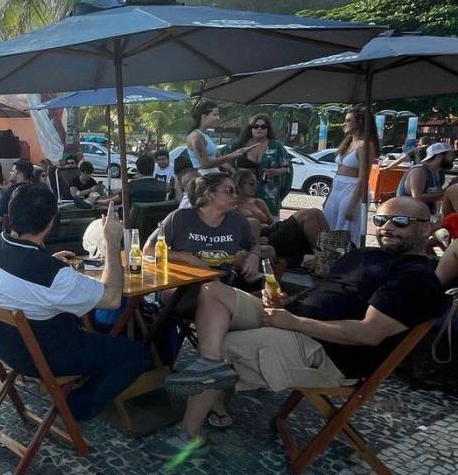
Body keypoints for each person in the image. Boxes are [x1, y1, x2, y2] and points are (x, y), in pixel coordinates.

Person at [159, 196, 447, 460]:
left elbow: (368, 333)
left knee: (220, 345)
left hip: (326, 351)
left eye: (400, 222)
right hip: (292, 319)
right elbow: (329, 297)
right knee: (212, 291)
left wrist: (295, 322)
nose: (387, 228)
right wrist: (285, 302)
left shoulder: (416, 279)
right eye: (380, 220)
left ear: (427, 228)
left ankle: (189, 434)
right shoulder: (361, 256)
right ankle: (211, 373)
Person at [0, 184, 151, 420]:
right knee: (138, 354)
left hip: (4, 344)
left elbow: (21, 275)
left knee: (94, 330)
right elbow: (112, 299)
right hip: (43, 354)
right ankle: (75, 407)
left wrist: (50, 261)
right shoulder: (54, 275)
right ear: (51, 222)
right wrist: (111, 241)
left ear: (12, 212)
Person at [147, 172, 261, 305]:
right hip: (182, 285)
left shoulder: (237, 221)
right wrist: (187, 257)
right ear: (209, 195)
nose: (235, 195)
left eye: (235, 190)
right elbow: (148, 249)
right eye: (229, 191)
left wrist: (254, 254)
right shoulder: (181, 218)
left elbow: (253, 244)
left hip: (222, 284)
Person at [233, 169, 329, 268]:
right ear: (239, 185)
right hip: (263, 238)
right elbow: (234, 230)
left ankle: (328, 252)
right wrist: (255, 237)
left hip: (273, 231)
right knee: (308, 214)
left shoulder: (258, 202)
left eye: (256, 183)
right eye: (251, 184)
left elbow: (271, 222)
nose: (255, 187)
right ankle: (326, 256)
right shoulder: (232, 206)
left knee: (316, 212)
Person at [323, 106, 379, 249]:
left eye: (348, 120)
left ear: (359, 122)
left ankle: (346, 259)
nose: (344, 123)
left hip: (353, 188)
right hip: (337, 187)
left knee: (346, 229)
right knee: (330, 224)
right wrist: (329, 195)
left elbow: (363, 177)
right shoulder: (347, 143)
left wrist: (352, 205)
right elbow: (337, 173)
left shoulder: (365, 145)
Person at [220, 113, 292, 216]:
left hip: (268, 193)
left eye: (263, 126)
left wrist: (276, 171)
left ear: (268, 129)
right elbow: (219, 157)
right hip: (241, 193)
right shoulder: (239, 144)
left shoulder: (276, 146)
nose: (259, 129)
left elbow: (288, 168)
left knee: (268, 221)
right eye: (256, 126)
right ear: (250, 128)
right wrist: (233, 170)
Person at [186, 101, 249, 174]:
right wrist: (233, 154)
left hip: (215, 175)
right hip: (204, 179)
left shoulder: (205, 135)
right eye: (215, 115)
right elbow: (205, 164)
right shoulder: (196, 136)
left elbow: (218, 157)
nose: (218, 118)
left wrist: (233, 170)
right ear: (203, 116)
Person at [397, 141, 448, 208]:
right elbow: (417, 198)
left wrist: (449, 189)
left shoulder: (436, 172)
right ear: (440, 156)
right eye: (451, 155)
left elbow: (437, 196)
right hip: (407, 214)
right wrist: (446, 193)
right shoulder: (419, 171)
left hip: (422, 214)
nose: (453, 159)